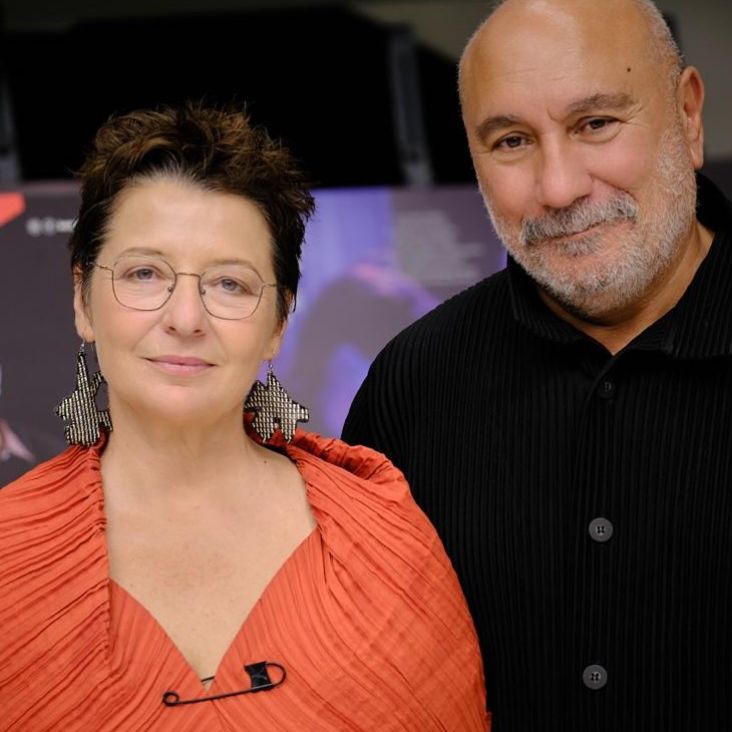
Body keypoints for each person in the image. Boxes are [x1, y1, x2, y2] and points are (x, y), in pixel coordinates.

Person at [0, 102, 488, 730]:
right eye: (145, 273)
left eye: (229, 283)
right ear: (82, 300)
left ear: (278, 322)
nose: (185, 318)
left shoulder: (382, 535)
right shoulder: (10, 551)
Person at [342, 0, 732, 729]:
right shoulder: (413, 384)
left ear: (687, 116)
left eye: (595, 124)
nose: (558, 189)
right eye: (513, 141)